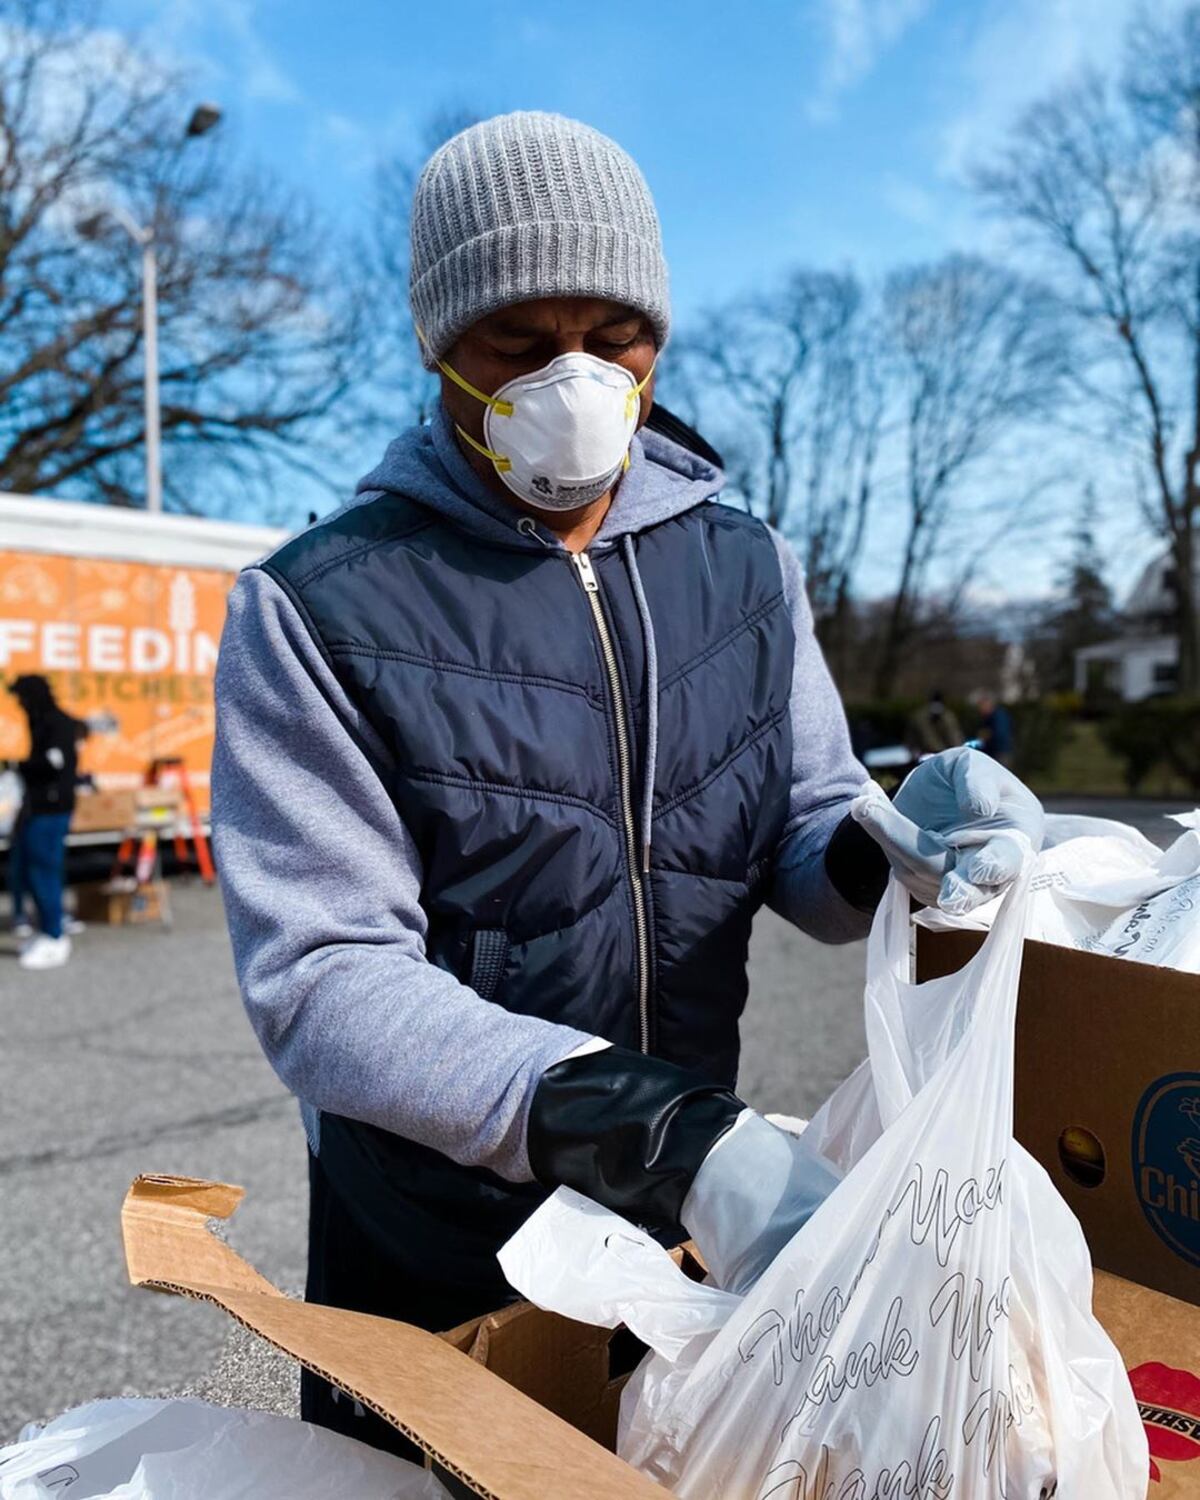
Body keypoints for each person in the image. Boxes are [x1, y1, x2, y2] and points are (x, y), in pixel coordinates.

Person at [212, 112, 1045, 1457]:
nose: (578, 378)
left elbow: (802, 825)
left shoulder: (745, 568)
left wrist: (891, 843)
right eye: (520, 345)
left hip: (682, 1224)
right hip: (434, 1239)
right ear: (440, 344)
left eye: (616, 335)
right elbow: (323, 977)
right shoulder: (320, 605)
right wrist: (659, 1131)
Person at [8, 675, 87, 970]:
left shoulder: (58, 724)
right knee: (29, 871)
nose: (20, 704)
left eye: (22, 698)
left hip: (52, 810)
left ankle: (55, 936)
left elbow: (55, 764)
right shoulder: (40, 721)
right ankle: (45, 931)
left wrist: (18, 766)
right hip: (36, 808)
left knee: (44, 872)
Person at [907, 689, 963, 757]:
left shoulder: (948, 716)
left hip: (947, 754)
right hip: (927, 754)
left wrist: (957, 751)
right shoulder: (920, 718)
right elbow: (913, 738)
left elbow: (954, 735)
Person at [977, 691, 1015, 766]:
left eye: (982, 705)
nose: (980, 709)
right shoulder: (989, 718)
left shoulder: (998, 716)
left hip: (1000, 753)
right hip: (996, 753)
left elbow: (1000, 734)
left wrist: (987, 736)